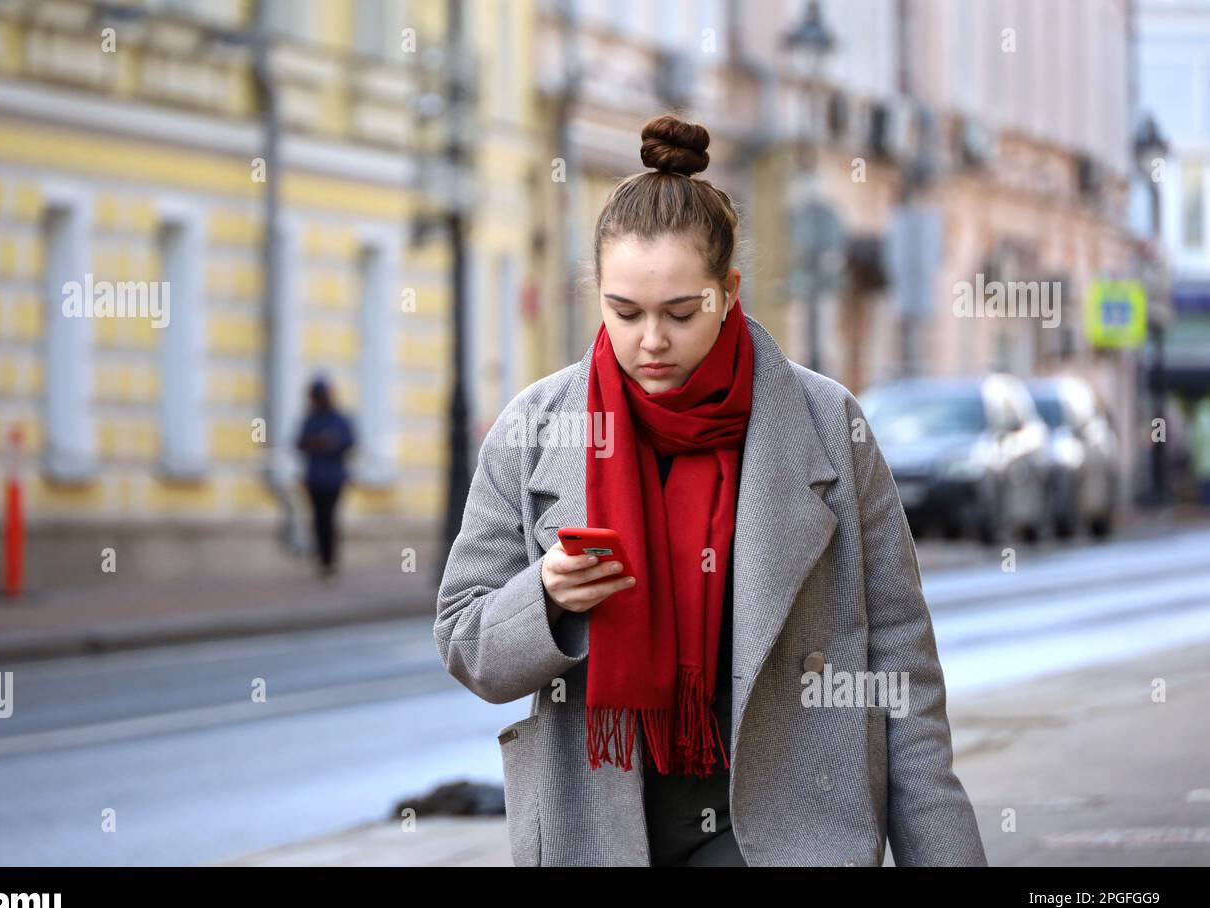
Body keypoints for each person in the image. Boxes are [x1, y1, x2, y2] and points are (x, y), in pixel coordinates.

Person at [433, 114, 987, 867]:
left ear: (727, 292)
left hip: (788, 834)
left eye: (680, 312)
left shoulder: (827, 424)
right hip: (601, 832)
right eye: (624, 312)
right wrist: (550, 597)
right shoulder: (535, 428)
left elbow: (900, 665)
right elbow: (466, 642)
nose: (650, 341)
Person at [296, 377, 355, 578]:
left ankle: (330, 562)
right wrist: (317, 442)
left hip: (333, 480)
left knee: (329, 519)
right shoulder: (311, 419)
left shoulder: (339, 419)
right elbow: (299, 443)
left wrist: (331, 442)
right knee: (318, 520)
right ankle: (322, 560)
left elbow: (349, 442)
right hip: (315, 480)